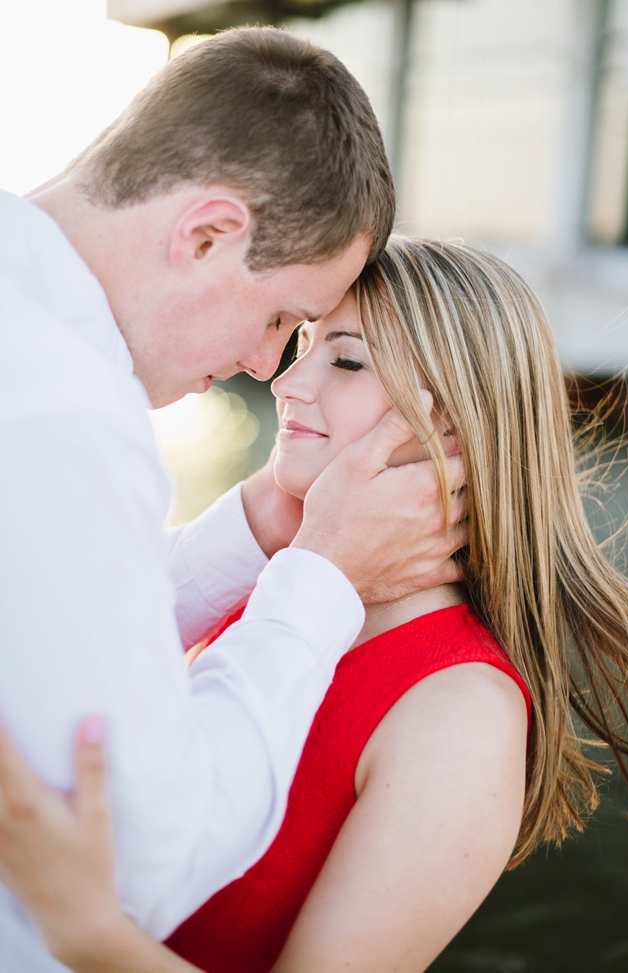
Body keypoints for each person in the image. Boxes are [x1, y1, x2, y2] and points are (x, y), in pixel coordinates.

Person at [0, 237, 628, 972]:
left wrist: (85, 928)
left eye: (343, 360)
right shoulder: (276, 588)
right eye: (302, 344)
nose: (285, 382)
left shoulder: (462, 710)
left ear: (455, 427)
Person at [0, 28, 467, 970]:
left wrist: (261, 531)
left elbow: (48, 629)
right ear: (206, 233)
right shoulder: (66, 412)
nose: (267, 368)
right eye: (282, 319)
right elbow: (139, 863)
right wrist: (321, 579)